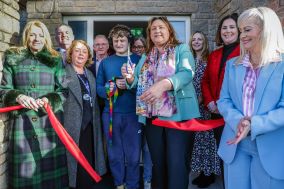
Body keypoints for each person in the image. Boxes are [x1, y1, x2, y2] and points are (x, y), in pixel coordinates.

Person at [122, 16, 200, 189]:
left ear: (169, 30)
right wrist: (128, 77)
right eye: (153, 29)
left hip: (178, 117)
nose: (157, 31)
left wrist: (164, 84)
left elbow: (187, 73)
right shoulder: (146, 57)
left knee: (177, 164)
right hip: (153, 118)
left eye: (161, 27)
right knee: (159, 163)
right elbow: (134, 82)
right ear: (149, 34)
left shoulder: (182, 49)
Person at [217, 7, 284, 189]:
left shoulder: (282, 65)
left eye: (247, 30)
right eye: (241, 31)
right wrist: (239, 121)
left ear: (266, 31)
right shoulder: (232, 65)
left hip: (271, 147)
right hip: (235, 145)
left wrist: (254, 124)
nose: (242, 36)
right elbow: (223, 100)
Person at [0, 20, 69, 188]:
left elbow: (63, 91)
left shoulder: (55, 59)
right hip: (22, 125)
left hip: (49, 125)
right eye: (32, 35)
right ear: (26, 37)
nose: (36, 39)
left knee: (50, 177)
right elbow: (4, 89)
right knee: (25, 175)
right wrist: (18, 96)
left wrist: (48, 99)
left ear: (46, 38)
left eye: (40, 35)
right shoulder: (13, 58)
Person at [96, 24, 142, 189]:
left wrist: (130, 84)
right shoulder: (106, 63)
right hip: (111, 114)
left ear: (128, 41)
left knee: (133, 155)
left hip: (133, 114)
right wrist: (110, 88)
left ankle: (133, 185)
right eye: (116, 40)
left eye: (122, 40)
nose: (119, 43)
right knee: (115, 154)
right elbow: (98, 88)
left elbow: (145, 87)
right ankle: (119, 184)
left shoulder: (138, 60)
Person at [201, 13, 240, 185]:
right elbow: (206, 80)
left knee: (237, 156)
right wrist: (209, 101)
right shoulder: (214, 55)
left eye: (232, 27)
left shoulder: (244, 51)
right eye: (224, 27)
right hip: (215, 113)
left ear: (239, 30)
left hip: (235, 113)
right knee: (223, 153)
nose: (228, 31)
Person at [64, 40, 107, 189]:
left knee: (89, 159)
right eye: (77, 50)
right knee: (76, 164)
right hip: (73, 125)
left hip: (91, 124)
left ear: (88, 55)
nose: (81, 53)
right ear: (71, 54)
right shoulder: (64, 73)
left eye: (84, 51)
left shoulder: (90, 74)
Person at [189, 31, 221, 188]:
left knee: (207, 140)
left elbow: (210, 82)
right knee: (197, 141)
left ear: (204, 42)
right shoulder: (189, 60)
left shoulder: (210, 60)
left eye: (199, 39)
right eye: (194, 39)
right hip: (191, 107)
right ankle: (201, 171)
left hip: (205, 106)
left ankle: (209, 174)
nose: (196, 42)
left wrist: (203, 99)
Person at [131, 36, 153, 189]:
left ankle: (148, 179)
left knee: (147, 148)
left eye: (141, 46)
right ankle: (133, 180)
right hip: (131, 113)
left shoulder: (149, 59)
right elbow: (132, 81)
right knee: (134, 149)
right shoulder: (130, 61)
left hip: (148, 111)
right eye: (135, 47)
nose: (138, 49)